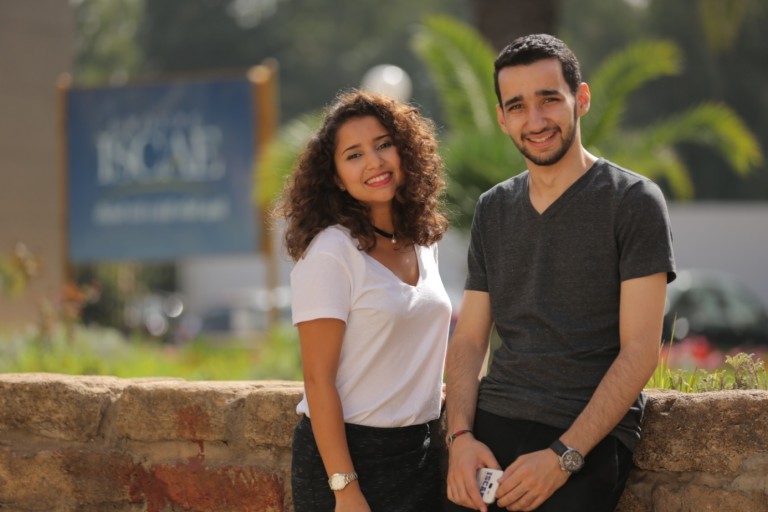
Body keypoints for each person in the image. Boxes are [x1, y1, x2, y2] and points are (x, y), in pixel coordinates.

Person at [444, 34, 676, 512]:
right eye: (518, 106)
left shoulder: (633, 202)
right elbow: (468, 340)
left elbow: (640, 351)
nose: (535, 121)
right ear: (502, 118)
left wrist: (564, 457)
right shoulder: (493, 208)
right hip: (492, 424)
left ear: (581, 99)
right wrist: (460, 438)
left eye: (549, 99)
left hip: (585, 435)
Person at [275, 90, 452, 512]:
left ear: (405, 152)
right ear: (337, 177)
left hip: (420, 451)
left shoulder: (423, 242)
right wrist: (344, 488)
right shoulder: (331, 252)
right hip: (349, 459)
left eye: (383, 145)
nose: (374, 162)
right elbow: (317, 379)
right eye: (353, 155)